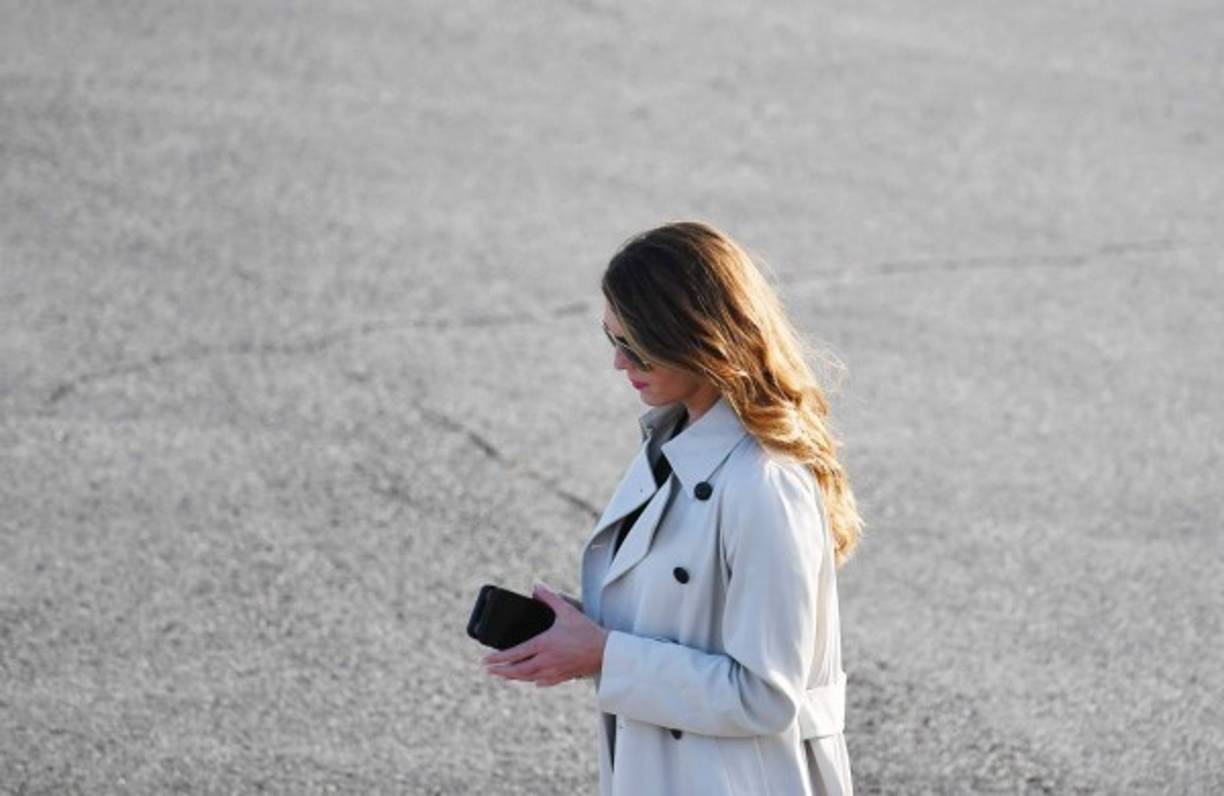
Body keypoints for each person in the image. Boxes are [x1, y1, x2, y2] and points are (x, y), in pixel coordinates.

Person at [483, 221, 862, 795]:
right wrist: (587, 634)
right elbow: (687, 620)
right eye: (610, 338)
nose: (618, 363)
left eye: (635, 346)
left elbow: (765, 695)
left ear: (697, 337)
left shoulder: (764, 484)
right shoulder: (672, 442)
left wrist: (605, 653)